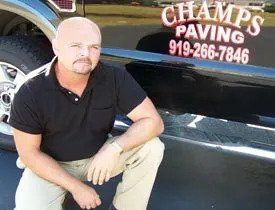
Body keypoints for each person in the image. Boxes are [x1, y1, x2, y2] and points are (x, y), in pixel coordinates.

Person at [9, 17, 165, 210]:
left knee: (151, 147)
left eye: (94, 47)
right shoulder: (30, 90)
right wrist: (76, 187)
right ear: (56, 47)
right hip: (52, 164)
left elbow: (154, 122)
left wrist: (114, 148)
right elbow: (29, 154)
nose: (86, 54)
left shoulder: (113, 77)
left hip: (97, 156)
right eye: (76, 45)